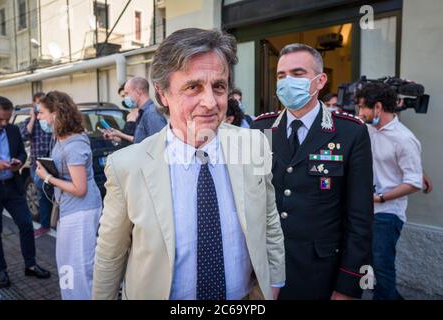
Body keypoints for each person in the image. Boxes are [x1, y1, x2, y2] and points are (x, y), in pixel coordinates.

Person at [93, 28, 285, 300]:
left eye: (218, 86)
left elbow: (269, 223)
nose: (210, 102)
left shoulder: (254, 145)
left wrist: (274, 284)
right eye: (193, 87)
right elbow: (110, 256)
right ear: (162, 94)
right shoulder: (127, 166)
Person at [251, 43, 373, 300]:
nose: (287, 82)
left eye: (297, 73)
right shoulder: (259, 129)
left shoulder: (351, 133)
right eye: (281, 75)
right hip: (264, 269)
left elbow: (359, 217)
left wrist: (348, 285)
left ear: (320, 81)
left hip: (318, 272)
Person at [356, 83, 423, 300]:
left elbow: (413, 182)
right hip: (366, 210)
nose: (359, 113)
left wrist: (380, 198)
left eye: (361, 107)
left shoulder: (404, 139)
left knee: (382, 266)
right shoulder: (366, 129)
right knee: (370, 267)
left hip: (388, 213)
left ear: (377, 107)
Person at [35, 91, 102, 300]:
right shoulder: (63, 137)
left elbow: (80, 188)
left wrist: (47, 177)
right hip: (70, 209)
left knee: (80, 267)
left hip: (81, 211)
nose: (38, 117)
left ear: (56, 113)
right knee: (66, 262)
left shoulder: (74, 143)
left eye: (42, 112)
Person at [0, 96, 51, 288]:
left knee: (26, 225)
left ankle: (31, 265)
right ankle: (0, 270)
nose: (4, 123)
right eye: (0, 119)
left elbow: (21, 153)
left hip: (12, 185)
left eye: (7, 119)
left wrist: (18, 161)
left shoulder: (12, 129)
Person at [20, 92, 54, 238]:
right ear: (34, 104)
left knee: (54, 193)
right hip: (37, 164)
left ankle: (53, 221)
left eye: (42, 103)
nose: (39, 106)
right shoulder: (31, 120)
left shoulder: (50, 119)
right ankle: (45, 224)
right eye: (37, 103)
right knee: (42, 193)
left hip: (52, 162)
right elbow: (24, 135)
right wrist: (33, 118)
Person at [102, 77, 167, 144]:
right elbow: (139, 141)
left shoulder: (151, 114)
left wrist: (120, 134)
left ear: (138, 92)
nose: (126, 98)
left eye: (127, 93)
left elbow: (160, 144)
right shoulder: (143, 113)